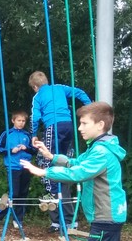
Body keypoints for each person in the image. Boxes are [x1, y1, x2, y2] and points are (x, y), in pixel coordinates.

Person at [21, 101, 126, 241]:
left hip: (106, 217)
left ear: (100, 125)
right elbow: (78, 163)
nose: (79, 128)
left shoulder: (101, 151)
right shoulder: (99, 147)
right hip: (109, 216)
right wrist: (51, 156)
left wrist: (44, 171)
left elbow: (79, 173)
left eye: (84, 123)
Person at [28, 70, 92, 231]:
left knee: (47, 164)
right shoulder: (59, 88)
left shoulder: (38, 96)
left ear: (35, 87)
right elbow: (79, 92)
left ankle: (56, 202)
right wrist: (89, 106)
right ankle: (61, 220)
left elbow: (35, 117)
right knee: (62, 164)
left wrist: (33, 134)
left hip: (53, 126)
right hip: (68, 126)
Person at [0, 110, 34, 229]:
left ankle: (18, 219)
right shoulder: (7, 134)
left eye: (23, 121)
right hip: (13, 167)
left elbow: (34, 150)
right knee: (14, 193)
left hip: (26, 167)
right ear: (13, 121)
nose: (21, 123)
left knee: (23, 194)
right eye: (19, 120)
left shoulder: (27, 135)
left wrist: (26, 148)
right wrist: (10, 150)